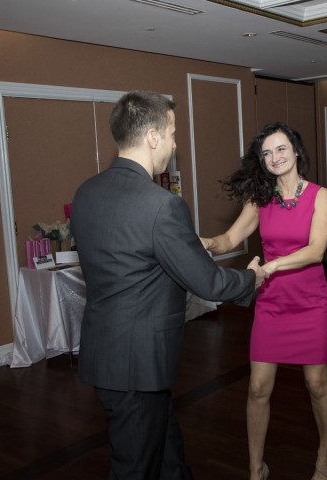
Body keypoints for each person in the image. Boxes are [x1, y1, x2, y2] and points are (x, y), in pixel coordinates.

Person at [70, 91, 267, 480]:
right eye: (173, 134)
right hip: (137, 362)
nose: (176, 144)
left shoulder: (86, 193)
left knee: (167, 454)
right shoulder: (161, 204)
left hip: (106, 353)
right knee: (134, 468)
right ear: (152, 137)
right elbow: (208, 282)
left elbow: (131, 260)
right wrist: (252, 278)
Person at [200, 122, 327, 480]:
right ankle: (255, 468)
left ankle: (326, 453)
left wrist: (271, 266)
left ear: (296, 151)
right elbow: (229, 239)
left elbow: (316, 250)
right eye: (267, 153)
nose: (274, 158)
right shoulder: (259, 200)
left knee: (317, 385)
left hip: (312, 304)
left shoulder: (320, 196)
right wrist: (205, 243)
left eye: (280, 149)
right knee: (258, 388)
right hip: (272, 305)